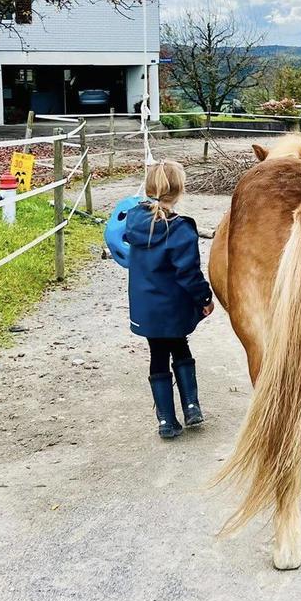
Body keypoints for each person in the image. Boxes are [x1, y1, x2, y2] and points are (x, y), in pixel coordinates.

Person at [124, 160, 214, 439]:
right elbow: (187, 271)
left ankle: (165, 420)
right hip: (173, 306)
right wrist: (205, 297)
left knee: (157, 355)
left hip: (147, 307)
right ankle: (191, 406)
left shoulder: (134, 221)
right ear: (179, 191)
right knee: (181, 347)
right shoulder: (180, 228)